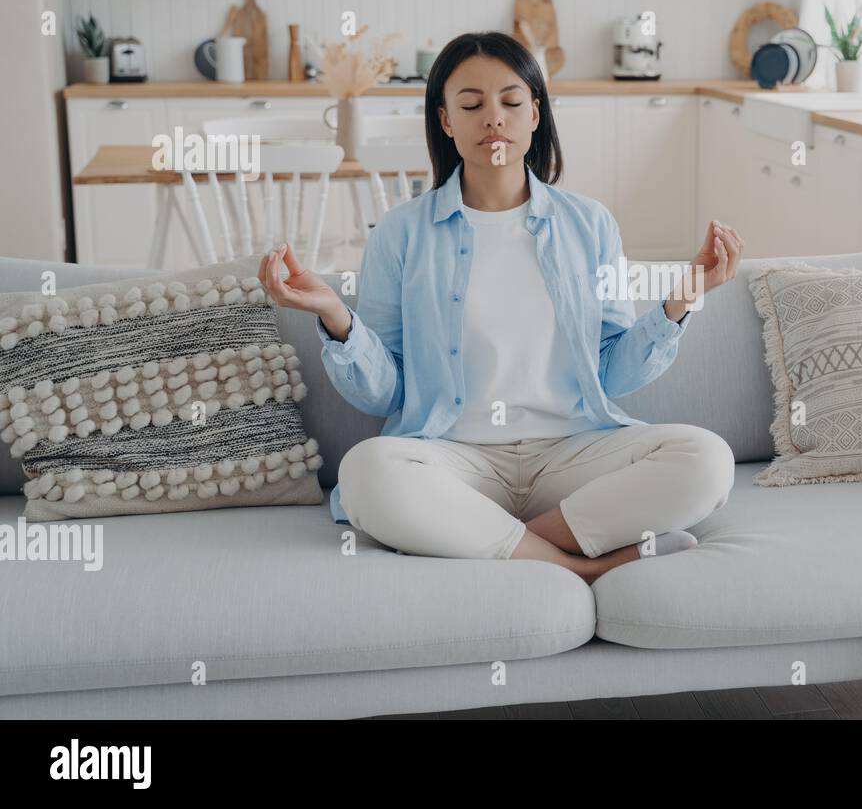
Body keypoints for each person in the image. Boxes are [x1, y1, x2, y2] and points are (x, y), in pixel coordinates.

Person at [259, 30, 743, 584]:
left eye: (511, 102)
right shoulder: (401, 234)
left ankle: (493, 539)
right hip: (454, 457)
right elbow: (386, 392)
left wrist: (680, 302)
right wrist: (336, 320)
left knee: (707, 459)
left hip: (572, 454)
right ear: (445, 120)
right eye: (471, 104)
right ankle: (582, 563)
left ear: (535, 115)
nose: (494, 118)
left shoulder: (590, 224)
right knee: (369, 471)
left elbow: (613, 373)